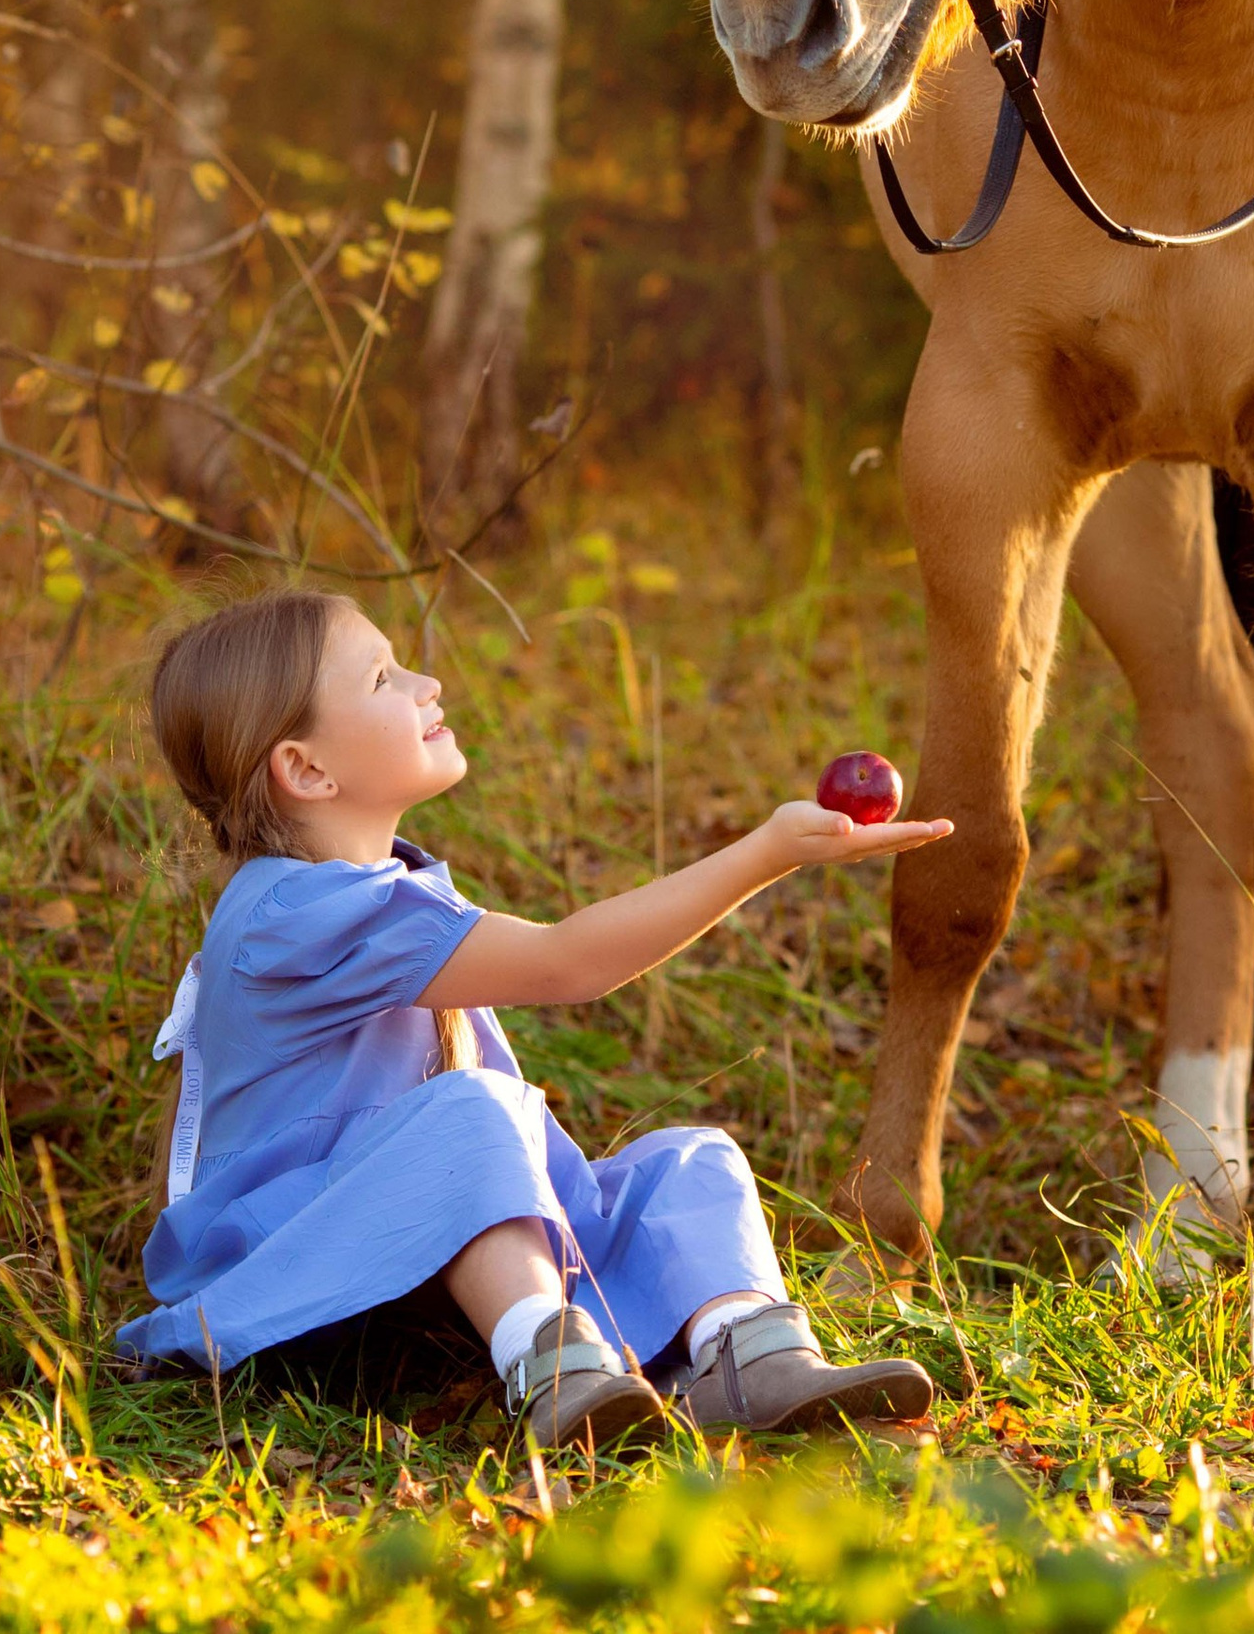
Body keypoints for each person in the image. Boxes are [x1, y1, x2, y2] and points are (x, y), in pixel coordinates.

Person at [119, 584, 950, 1448]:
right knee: (472, 1108)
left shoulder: (380, 892)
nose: (427, 682)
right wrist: (767, 852)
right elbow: (571, 961)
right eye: (382, 679)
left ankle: (748, 1352)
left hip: (410, 1253)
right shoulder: (291, 913)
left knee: (689, 1160)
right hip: (289, 1271)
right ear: (308, 771)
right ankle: (551, 1364)